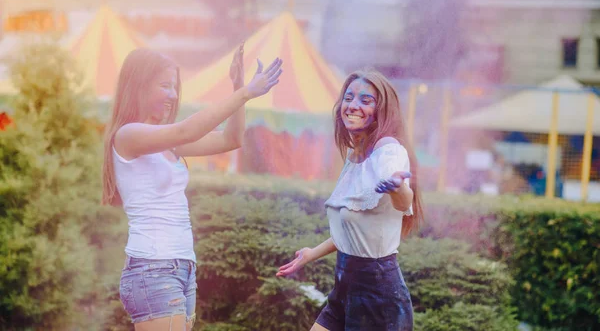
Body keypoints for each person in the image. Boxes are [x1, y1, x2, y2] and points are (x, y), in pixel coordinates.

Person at [101, 44, 282, 331]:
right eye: (164, 85)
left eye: (174, 87)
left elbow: (231, 139)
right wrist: (245, 92)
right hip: (153, 269)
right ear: (138, 86)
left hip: (181, 267)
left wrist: (238, 86)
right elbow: (187, 129)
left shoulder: (169, 142)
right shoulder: (128, 135)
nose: (173, 95)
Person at [277, 70, 423, 331]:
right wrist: (311, 254)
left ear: (382, 111)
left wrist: (398, 187)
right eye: (349, 98)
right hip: (345, 288)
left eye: (366, 100)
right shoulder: (355, 157)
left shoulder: (388, 150)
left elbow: (403, 203)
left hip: (377, 297)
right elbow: (357, 229)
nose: (353, 105)